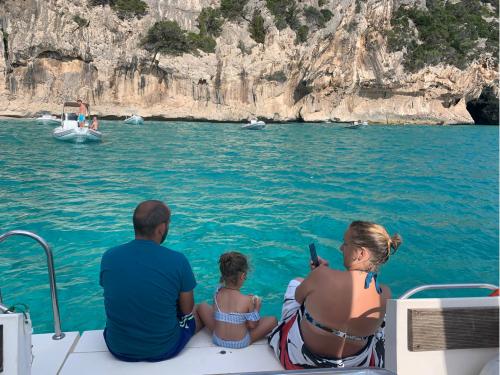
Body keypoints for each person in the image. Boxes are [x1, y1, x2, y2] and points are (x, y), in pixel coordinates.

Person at [268, 221, 402, 369]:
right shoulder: (384, 294)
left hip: (301, 361)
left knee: (297, 282)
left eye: (345, 244)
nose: (341, 248)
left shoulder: (321, 276)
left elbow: (299, 298)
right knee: (382, 323)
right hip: (353, 366)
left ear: (361, 253)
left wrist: (316, 276)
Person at [100, 200, 202, 362]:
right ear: (161, 228)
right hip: (164, 347)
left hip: (117, 347)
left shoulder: (109, 257)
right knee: (197, 312)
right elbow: (186, 310)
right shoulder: (178, 260)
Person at [197, 252, 277, 349]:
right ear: (243, 276)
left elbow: (215, 314)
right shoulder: (247, 300)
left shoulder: (217, 293)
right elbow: (252, 325)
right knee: (273, 320)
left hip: (217, 339)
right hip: (240, 343)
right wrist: (257, 308)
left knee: (202, 306)